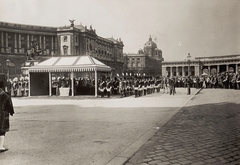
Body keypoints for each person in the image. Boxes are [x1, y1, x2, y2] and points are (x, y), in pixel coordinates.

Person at [0, 81, 14, 152]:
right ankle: (1, 147)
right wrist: (11, 112)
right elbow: (9, 105)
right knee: (2, 131)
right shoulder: (5, 95)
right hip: (3, 114)